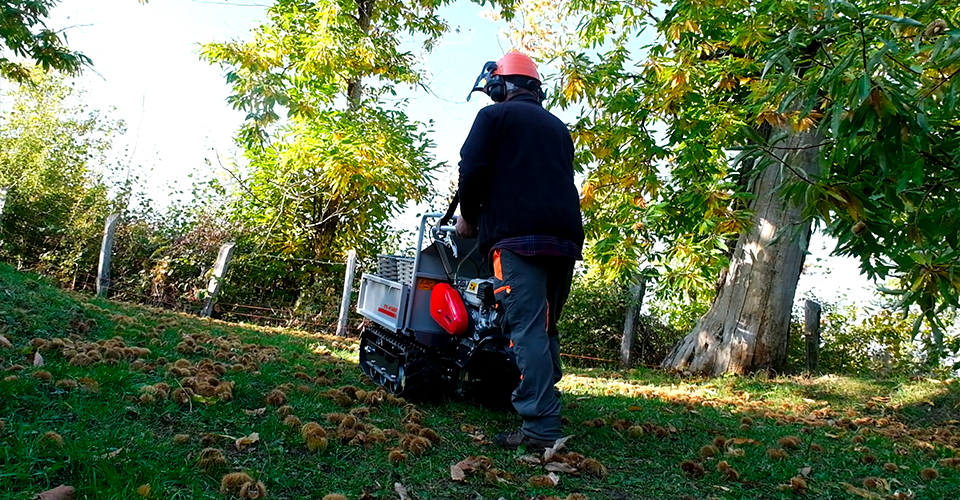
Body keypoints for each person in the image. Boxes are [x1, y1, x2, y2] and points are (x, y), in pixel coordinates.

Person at [456, 51, 585, 452]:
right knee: (544, 327)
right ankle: (545, 402)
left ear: (501, 86)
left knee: (525, 329)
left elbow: (472, 170)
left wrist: (468, 217)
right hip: (563, 241)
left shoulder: (493, 117)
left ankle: (541, 428)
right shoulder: (558, 128)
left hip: (517, 238)